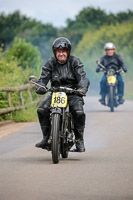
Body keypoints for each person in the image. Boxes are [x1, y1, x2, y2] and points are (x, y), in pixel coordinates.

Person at [35, 37, 90, 152]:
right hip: (56, 93)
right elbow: (43, 79)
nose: (61, 54)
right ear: (55, 52)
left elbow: (82, 77)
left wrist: (82, 88)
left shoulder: (75, 61)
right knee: (41, 109)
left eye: (63, 51)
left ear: (68, 52)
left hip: (73, 93)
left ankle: (79, 140)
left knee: (78, 112)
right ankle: (46, 138)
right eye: (58, 51)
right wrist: (40, 86)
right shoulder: (50, 63)